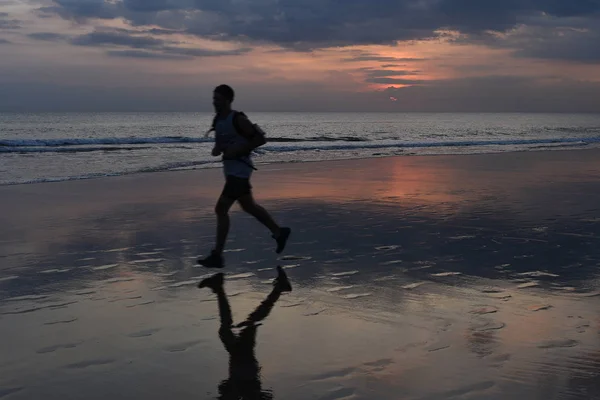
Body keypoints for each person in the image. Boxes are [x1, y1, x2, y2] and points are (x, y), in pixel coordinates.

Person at [198, 84, 291, 269]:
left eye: (217, 99)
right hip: (230, 171)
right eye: (213, 99)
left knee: (221, 209)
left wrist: (238, 150)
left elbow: (260, 139)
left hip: (240, 172)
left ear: (227, 100)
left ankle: (217, 255)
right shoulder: (217, 121)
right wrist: (218, 150)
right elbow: (219, 147)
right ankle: (279, 232)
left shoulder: (238, 119)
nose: (214, 102)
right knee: (249, 206)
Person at [198, 267, 292, 399]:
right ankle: (278, 289)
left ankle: (219, 288)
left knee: (233, 329)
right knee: (246, 325)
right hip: (244, 371)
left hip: (243, 370)